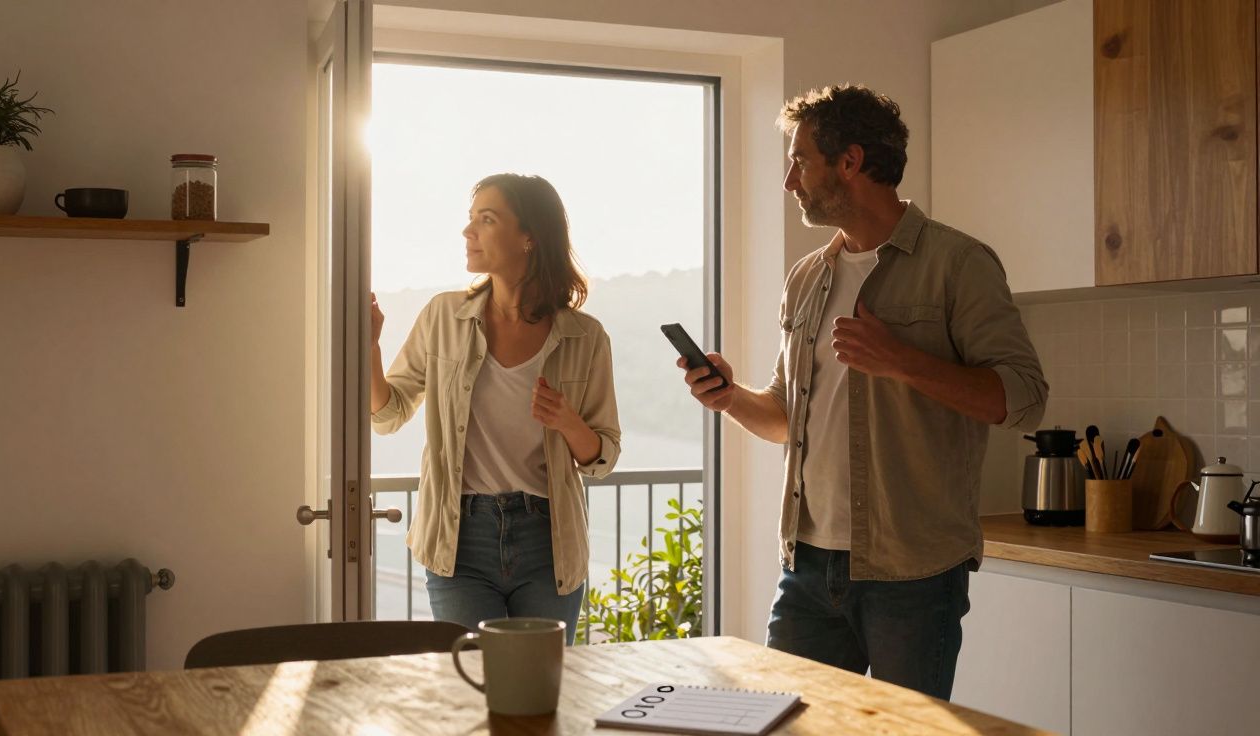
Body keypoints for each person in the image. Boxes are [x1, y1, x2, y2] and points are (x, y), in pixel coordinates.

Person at [677, 84, 1046, 698]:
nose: (789, 181)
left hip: (914, 571)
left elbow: (1024, 398)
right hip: (808, 566)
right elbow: (784, 417)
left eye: (800, 161)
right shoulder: (807, 278)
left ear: (849, 162)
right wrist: (729, 396)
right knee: (791, 722)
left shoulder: (959, 264)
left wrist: (900, 359)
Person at [370, 173, 621, 643]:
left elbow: (603, 456)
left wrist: (568, 423)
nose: (469, 233)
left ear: (530, 237)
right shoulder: (443, 316)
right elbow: (389, 415)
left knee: (540, 688)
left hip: (549, 543)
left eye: (486, 220)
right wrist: (369, 348)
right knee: (471, 684)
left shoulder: (585, 337)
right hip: (459, 538)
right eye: (471, 220)